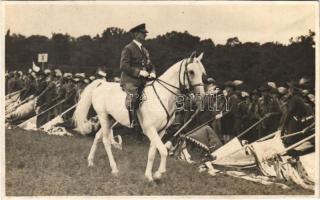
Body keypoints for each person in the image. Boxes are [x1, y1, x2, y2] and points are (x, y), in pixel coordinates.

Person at [120, 23, 156, 127]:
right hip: (130, 81)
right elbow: (123, 66)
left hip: (144, 81)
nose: (145, 35)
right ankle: (133, 122)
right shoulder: (128, 48)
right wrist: (139, 72)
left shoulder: (144, 50)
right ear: (136, 34)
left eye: (145, 33)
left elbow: (150, 65)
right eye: (143, 33)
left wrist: (153, 72)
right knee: (133, 96)